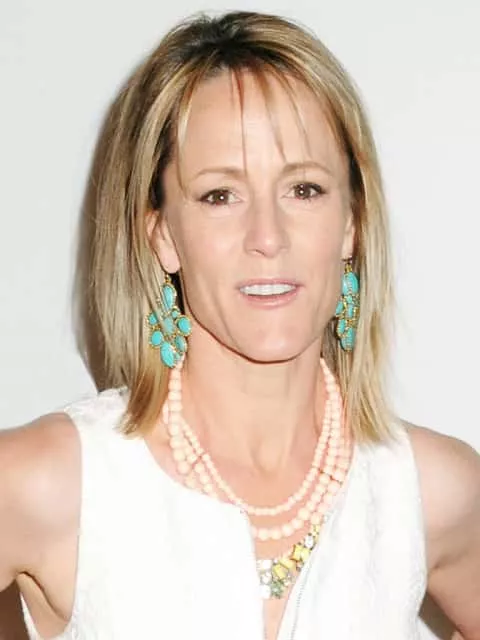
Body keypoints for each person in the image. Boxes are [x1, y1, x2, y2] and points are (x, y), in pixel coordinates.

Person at [0, 10, 479, 640]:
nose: (267, 237)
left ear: (351, 223)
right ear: (162, 236)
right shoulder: (46, 484)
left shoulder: (432, 491)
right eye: (219, 196)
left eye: (303, 189)